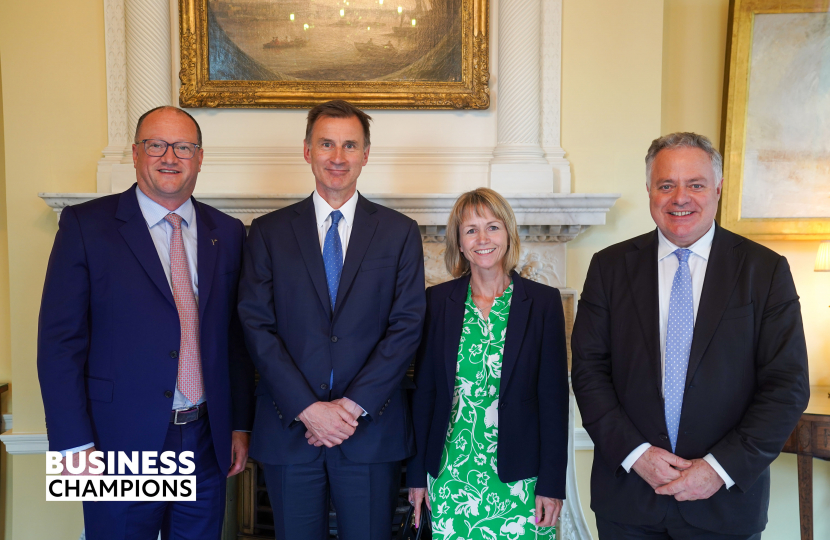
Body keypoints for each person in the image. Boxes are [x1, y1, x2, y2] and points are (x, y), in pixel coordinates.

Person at [571, 132, 809, 539]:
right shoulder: (608, 268)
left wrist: (719, 469)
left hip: (724, 506)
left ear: (717, 189)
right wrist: (636, 455)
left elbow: (786, 386)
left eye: (695, 184)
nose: (680, 197)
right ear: (649, 191)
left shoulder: (765, 271)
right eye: (666, 185)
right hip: (629, 502)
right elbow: (589, 372)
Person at [37, 106, 255, 540]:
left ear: (199, 157)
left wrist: (239, 424)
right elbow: (59, 343)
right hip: (116, 440)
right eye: (156, 145)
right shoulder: (86, 226)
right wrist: (71, 445)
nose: (169, 157)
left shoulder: (227, 232)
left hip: (203, 438)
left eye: (183, 147)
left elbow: (236, 340)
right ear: (136, 153)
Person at [237, 99, 426, 540]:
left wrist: (348, 408)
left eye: (349, 146)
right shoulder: (267, 232)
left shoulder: (399, 232)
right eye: (326, 144)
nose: (337, 157)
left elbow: (407, 326)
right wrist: (307, 409)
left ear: (365, 153)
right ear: (307, 151)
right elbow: (256, 326)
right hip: (291, 433)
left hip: (369, 433)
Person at [407, 188, 569, 539]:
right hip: (451, 476)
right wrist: (417, 476)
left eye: (493, 227)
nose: (483, 239)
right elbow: (425, 396)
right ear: (460, 243)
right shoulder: (436, 302)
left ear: (508, 234)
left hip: (521, 482)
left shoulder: (542, 303)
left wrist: (553, 484)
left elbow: (554, 402)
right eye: (471, 230)